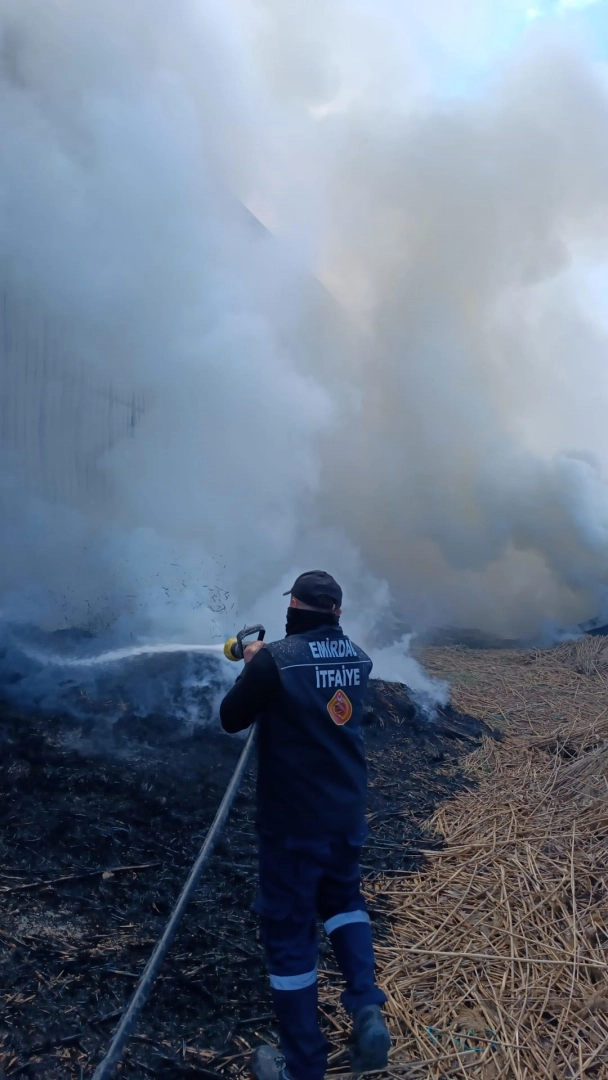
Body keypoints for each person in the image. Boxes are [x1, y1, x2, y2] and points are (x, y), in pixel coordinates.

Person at [220, 571, 390, 1080]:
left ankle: (303, 1066)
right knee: (344, 901)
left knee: (290, 930)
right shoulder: (359, 658)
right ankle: (366, 1006)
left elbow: (232, 717)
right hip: (346, 811)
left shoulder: (277, 660)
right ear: (337, 613)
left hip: (294, 823)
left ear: (292, 607)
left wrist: (254, 664)